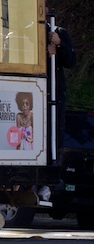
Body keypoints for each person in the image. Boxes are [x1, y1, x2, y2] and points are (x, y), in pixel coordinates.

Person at [47, 11, 76, 151]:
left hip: (55, 92)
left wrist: (59, 44)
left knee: (55, 131)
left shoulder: (59, 33)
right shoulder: (26, 34)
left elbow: (70, 61)